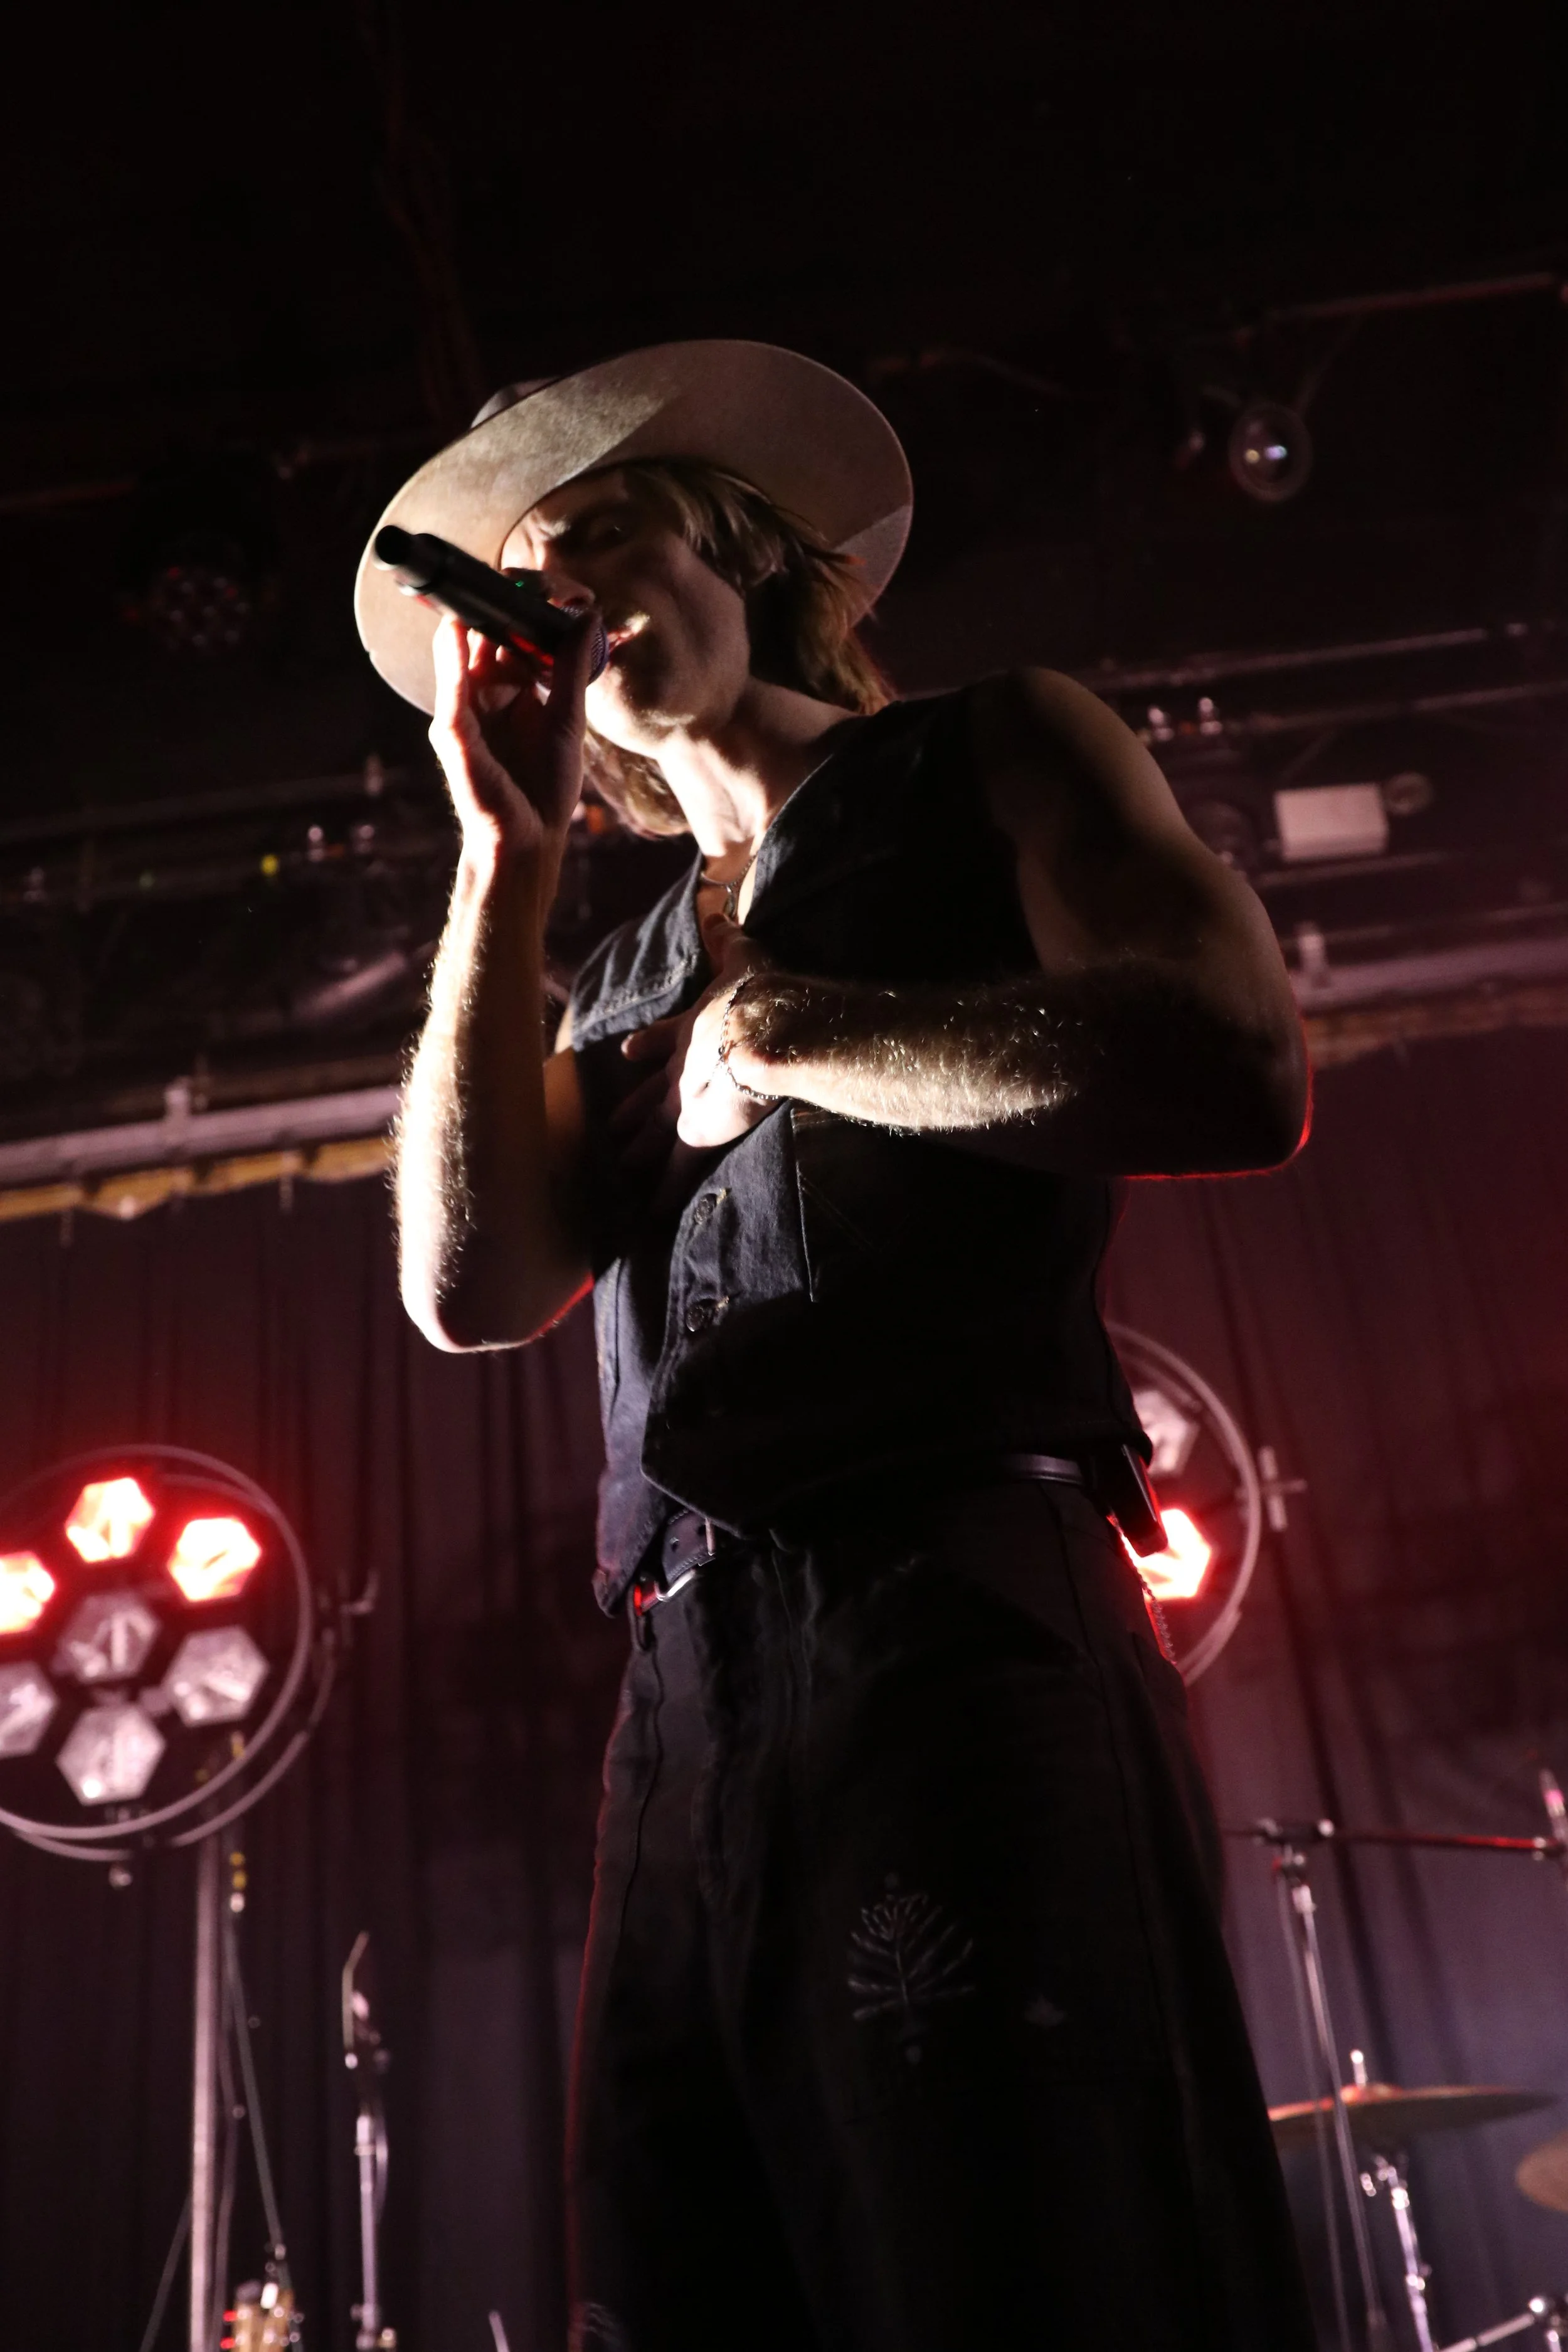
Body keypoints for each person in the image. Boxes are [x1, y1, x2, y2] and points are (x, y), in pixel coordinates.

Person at [356, 341, 1316, 2352]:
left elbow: (1235, 1063)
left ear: (742, 546)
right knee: (697, 2267)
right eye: (529, 562)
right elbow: (467, 1288)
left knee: (1019, 2241)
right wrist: (502, 859)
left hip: (956, 1606)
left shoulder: (990, 753)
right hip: (688, 1689)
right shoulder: (603, 967)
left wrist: (803, 1041)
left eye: (602, 525)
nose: (561, 576)